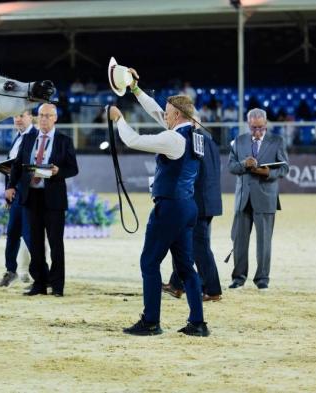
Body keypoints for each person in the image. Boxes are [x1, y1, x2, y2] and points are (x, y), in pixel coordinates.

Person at [108, 68, 208, 337]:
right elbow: (154, 111)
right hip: (187, 206)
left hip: (170, 208)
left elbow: (133, 140)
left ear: (176, 115)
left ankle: (151, 321)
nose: (163, 114)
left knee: (149, 262)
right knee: (186, 267)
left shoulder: (173, 138)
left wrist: (119, 119)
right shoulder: (193, 132)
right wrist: (135, 89)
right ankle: (197, 322)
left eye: (167, 112)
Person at [5, 103, 78, 297]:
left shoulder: (64, 140)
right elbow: (17, 166)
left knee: (55, 244)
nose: (43, 119)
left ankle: (57, 285)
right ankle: (39, 283)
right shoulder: (28, 138)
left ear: (55, 118)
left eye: (48, 115)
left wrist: (58, 172)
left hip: (53, 199)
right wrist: (11, 186)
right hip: (32, 197)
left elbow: (73, 168)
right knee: (36, 244)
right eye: (41, 115)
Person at [163, 116, 223, 302]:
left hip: (198, 201)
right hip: (207, 200)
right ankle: (177, 284)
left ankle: (212, 290)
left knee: (199, 247)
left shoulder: (194, 141)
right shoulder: (209, 141)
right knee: (181, 242)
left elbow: (192, 172)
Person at [228, 108, 289, 290]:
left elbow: (285, 168)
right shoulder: (238, 141)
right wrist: (243, 164)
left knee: (264, 243)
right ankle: (238, 278)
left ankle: (262, 279)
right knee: (239, 242)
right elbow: (231, 166)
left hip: (265, 198)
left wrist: (268, 172)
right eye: (254, 128)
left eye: (261, 128)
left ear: (266, 124)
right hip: (242, 199)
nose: (257, 132)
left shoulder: (277, 141)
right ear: (248, 125)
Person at [0, 110, 36, 287]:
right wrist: (9, 190)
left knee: (29, 235)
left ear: (31, 117)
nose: (18, 119)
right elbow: (14, 168)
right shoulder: (18, 137)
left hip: (29, 193)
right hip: (16, 193)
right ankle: (10, 270)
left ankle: (40, 273)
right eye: (15, 116)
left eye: (22, 115)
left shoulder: (35, 136)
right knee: (12, 233)